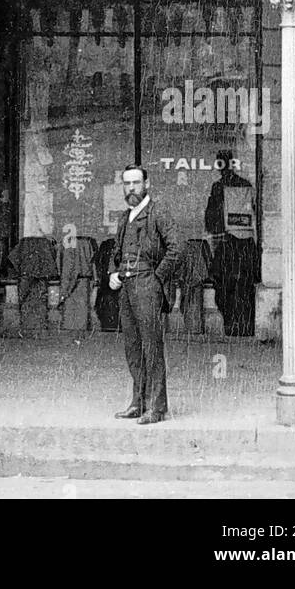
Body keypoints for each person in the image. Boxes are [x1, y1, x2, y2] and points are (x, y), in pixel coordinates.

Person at [109, 164, 182, 424]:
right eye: (127, 184)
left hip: (147, 286)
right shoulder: (124, 217)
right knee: (133, 347)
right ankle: (138, 402)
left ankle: (156, 407)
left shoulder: (157, 212)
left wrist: (157, 278)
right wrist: (112, 273)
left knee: (151, 347)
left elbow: (177, 248)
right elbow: (115, 252)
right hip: (127, 288)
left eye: (136, 183)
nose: (131, 189)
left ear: (146, 184)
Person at [204, 150, 258, 337]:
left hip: (227, 242)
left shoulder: (218, 187)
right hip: (244, 242)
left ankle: (232, 325)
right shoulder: (245, 185)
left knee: (226, 286)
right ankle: (244, 325)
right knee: (243, 285)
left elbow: (211, 219)